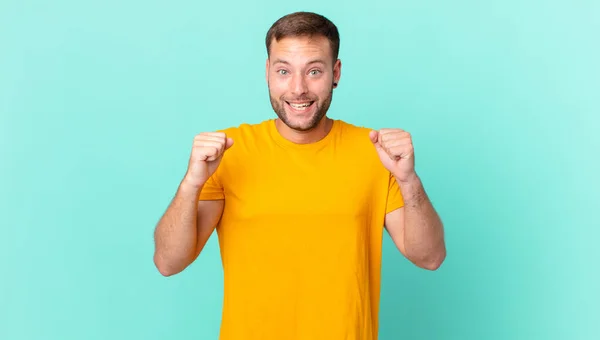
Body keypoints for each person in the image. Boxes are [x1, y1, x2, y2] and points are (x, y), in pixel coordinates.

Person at [153, 11, 446, 340]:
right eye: (283, 71)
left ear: (335, 73)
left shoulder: (374, 152)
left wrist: (409, 181)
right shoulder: (227, 153)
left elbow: (430, 257)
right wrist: (192, 184)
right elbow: (168, 262)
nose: (298, 89)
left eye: (314, 71)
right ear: (267, 73)